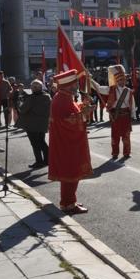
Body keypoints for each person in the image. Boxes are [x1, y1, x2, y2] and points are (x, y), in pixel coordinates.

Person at [48, 70, 93, 214]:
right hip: (68, 143)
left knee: (70, 173)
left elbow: (71, 112)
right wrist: (83, 114)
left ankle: (68, 201)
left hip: (68, 142)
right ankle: (68, 204)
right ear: (68, 85)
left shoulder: (65, 97)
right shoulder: (61, 99)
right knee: (71, 172)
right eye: (74, 83)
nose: (76, 85)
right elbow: (66, 120)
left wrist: (82, 107)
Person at [102, 65, 135, 159]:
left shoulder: (128, 91)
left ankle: (126, 152)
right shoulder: (111, 89)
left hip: (125, 116)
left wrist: (133, 115)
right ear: (117, 81)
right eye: (120, 80)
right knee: (115, 136)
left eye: (124, 80)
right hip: (115, 116)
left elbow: (132, 104)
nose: (122, 81)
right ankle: (115, 153)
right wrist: (91, 81)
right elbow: (99, 88)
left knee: (126, 136)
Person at [18, 79, 51, 169]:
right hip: (42, 124)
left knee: (35, 144)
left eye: (33, 87)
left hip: (31, 124)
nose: (32, 88)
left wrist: (20, 103)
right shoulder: (47, 96)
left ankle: (39, 161)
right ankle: (47, 160)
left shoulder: (31, 98)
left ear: (35, 88)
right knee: (42, 142)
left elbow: (22, 109)